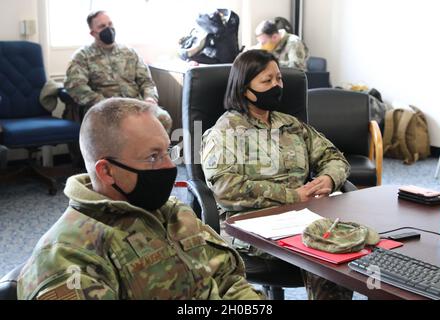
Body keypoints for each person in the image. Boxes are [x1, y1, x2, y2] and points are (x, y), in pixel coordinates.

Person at [17, 97, 263, 300]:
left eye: (167, 151)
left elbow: (228, 280)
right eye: (153, 157)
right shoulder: (68, 257)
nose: (170, 166)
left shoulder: (173, 213)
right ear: (107, 171)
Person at [201, 49, 353, 300]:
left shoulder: (291, 125)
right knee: (325, 251)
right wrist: (292, 195)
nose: (276, 86)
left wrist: (328, 179)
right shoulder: (225, 131)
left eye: (279, 79)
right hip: (250, 224)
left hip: (303, 215)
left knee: (349, 245)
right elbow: (225, 188)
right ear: (244, 88)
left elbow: (334, 157)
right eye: (267, 80)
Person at [63, 10, 172, 132]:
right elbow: (75, 86)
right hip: (105, 110)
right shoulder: (82, 56)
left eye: (110, 24)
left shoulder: (129, 52)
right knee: (122, 129)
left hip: (136, 105)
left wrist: (150, 98)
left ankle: (154, 151)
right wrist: (102, 103)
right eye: (102, 26)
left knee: (163, 118)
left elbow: (146, 81)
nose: (108, 29)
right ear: (93, 33)